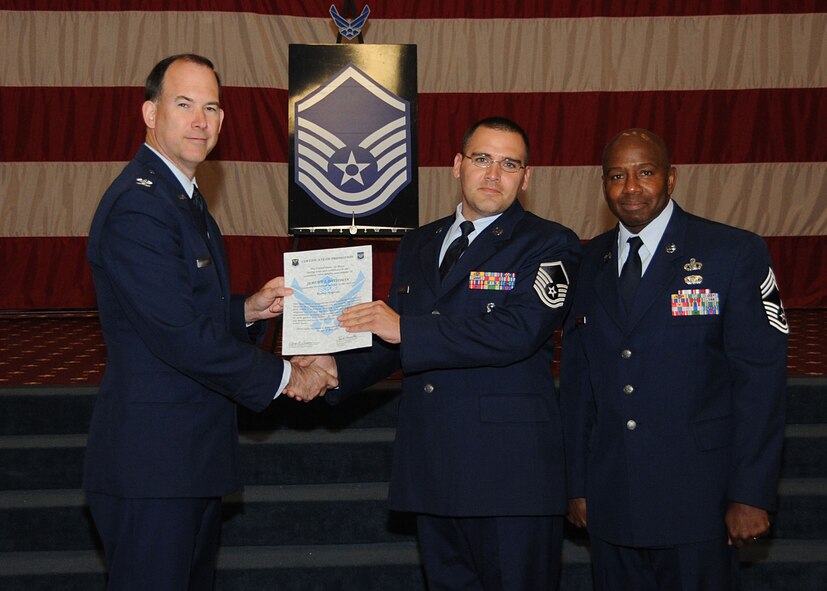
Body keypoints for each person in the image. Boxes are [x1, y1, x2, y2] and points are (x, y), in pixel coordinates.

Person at [83, 54, 336, 590]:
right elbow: (179, 336)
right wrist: (291, 377)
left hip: (185, 459)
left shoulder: (183, 199)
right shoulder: (140, 207)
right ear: (150, 113)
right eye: (184, 104)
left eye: (212, 107)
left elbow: (177, 310)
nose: (201, 120)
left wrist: (245, 310)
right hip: (154, 465)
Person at [295, 117, 580, 590]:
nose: (493, 174)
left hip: (509, 475)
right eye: (482, 159)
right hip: (432, 464)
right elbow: (392, 341)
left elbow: (516, 332)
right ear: (457, 165)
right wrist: (335, 369)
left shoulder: (551, 242)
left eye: (509, 164)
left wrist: (404, 326)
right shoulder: (420, 242)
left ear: (526, 177)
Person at [560, 128, 788, 590]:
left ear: (671, 179)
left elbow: (760, 383)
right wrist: (576, 483)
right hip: (612, 497)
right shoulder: (590, 262)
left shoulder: (731, 253)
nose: (631, 187)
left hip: (700, 500)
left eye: (645, 172)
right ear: (604, 185)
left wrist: (750, 494)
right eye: (617, 175)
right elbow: (580, 382)